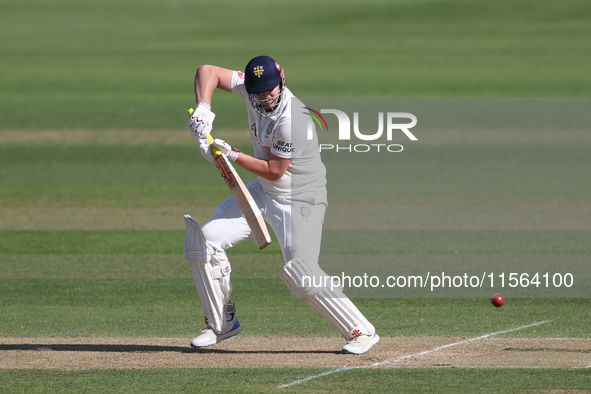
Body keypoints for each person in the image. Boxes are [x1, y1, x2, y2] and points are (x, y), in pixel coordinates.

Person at [184, 55, 379, 354]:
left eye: (270, 91)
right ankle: (221, 324)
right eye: (258, 93)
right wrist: (204, 107)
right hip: (265, 192)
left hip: (301, 198)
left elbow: (275, 169)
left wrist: (229, 154)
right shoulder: (251, 91)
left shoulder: (293, 120)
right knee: (204, 242)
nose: (264, 98)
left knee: (300, 273)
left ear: (282, 81)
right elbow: (207, 71)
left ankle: (361, 331)